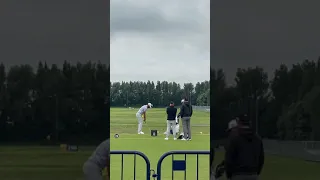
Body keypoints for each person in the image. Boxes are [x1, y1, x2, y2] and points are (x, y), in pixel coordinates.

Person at [225, 114, 264, 180]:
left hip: (237, 175)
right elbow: (261, 158)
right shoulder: (258, 138)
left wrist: (229, 175)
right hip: (253, 174)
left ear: (239, 123)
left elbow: (229, 159)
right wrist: (256, 172)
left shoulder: (234, 138)